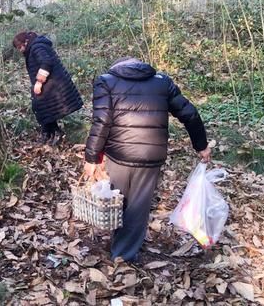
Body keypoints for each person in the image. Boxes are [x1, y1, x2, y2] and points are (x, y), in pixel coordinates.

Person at [83, 57, 211, 262]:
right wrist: (201, 145)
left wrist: (92, 157)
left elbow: (102, 121)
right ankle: (125, 250)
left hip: (119, 153)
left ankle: (122, 255)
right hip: (151, 155)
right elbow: (190, 114)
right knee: (138, 206)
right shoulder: (162, 82)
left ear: (117, 68)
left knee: (118, 200)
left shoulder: (106, 81)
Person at [12, 31, 83, 145]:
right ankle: (49, 132)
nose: (20, 50)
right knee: (41, 108)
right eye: (18, 48)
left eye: (20, 46)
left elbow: (46, 62)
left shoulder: (36, 47)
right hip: (50, 82)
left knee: (42, 107)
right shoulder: (35, 47)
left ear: (26, 41)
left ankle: (54, 133)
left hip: (53, 83)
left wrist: (39, 82)